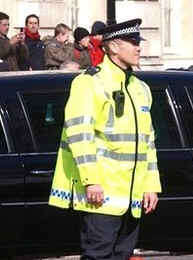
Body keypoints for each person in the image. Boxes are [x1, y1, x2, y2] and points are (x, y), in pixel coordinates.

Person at [49, 19, 161, 260]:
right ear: (113, 47)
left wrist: (151, 185)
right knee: (97, 256)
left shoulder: (141, 88)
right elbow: (80, 135)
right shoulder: (89, 83)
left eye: (138, 42)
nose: (138, 47)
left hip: (132, 197)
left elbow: (148, 142)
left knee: (123, 255)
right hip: (101, 196)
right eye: (132, 42)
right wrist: (91, 181)